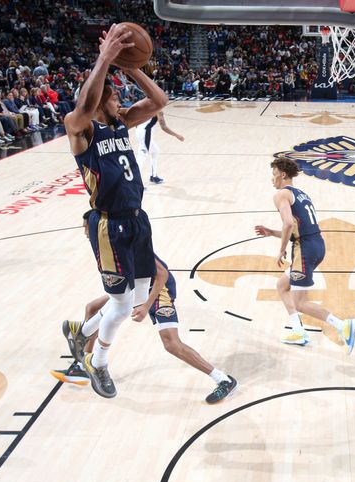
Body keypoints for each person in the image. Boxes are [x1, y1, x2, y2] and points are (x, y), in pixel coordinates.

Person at [61, 24, 168, 399]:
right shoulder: (80, 129)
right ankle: (98, 364)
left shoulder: (121, 122)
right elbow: (86, 105)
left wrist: (130, 67)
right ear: (98, 101)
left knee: (136, 300)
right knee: (122, 306)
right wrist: (105, 58)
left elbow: (159, 101)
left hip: (137, 219)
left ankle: (83, 330)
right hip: (108, 225)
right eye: (113, 96)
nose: (118, 99)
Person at [57, 212, 237, 403]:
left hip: (158, 290)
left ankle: (224, 380)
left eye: (86, 227)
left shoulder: (128, 243)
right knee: (92, 308)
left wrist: (146, 305)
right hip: (135, 290)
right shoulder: (107, 246)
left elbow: (163, 274)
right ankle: (85, 363)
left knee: (171, 344)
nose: (85, 232)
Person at [254, 157, 355, 353]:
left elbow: (289, 224)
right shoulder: (301, 194)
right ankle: (297, 330)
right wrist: (272, 232)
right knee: (282, 285)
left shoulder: (280, 194)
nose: (272, 179)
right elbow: (299, 228)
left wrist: (281, 249)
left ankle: (343, 326)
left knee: (300, 302)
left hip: (304, 249)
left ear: (283, 175)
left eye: (274, 174)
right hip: (316, 245)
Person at [134, 111, 184, 184]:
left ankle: (153, 176)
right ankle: (136, 183)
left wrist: (140, 128)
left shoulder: (147, 105)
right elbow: (163, 127)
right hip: (145, 132)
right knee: (141, 157)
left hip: (140, 130)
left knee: (155, 151)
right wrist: (176, 135)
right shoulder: (158, 110)